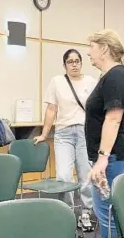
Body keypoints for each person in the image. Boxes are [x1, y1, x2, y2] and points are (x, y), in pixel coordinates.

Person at [85, 29, 124, 238]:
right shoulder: (113, 75)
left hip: (115, 156)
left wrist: (102, 159)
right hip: (117, 154)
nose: (88, 52)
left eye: (91, 47)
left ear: (104, 48)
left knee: (108, 212)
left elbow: (113, 118)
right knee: (113, 212)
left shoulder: (116, 76)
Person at [34, 49, 97, 232]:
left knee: (86, 175)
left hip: (85, 132)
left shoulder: (91, 82)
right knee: (63, 175)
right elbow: (52, 109)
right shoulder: (57, 82)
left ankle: (86, 212)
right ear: (65, 65)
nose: (74, 64)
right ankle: (68, 211)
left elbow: (96, 110)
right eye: (70, 61)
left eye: (77, 61)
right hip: (63, 133)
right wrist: (45, 134)